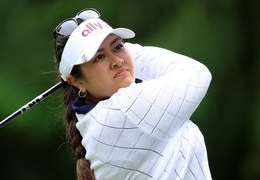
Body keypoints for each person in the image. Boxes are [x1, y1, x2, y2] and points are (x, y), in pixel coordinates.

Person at [52, 8, 212, 180]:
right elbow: (197, 74)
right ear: (76, 82)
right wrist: (131, 52)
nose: (117, 61)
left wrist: (117, 54)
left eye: (118, 46)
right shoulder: (124, 110)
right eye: (99, 57)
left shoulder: (91, 121)